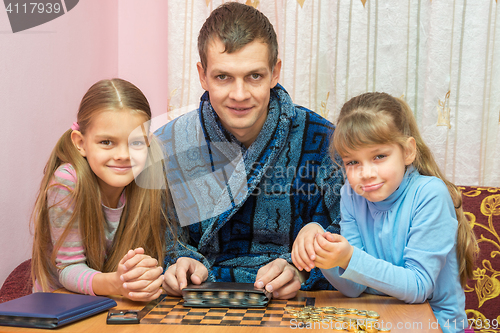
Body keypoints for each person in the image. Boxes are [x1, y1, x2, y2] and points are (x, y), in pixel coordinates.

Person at [156, 2, 343, 300]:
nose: (239, 94)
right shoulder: (169, 144)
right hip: (194, 300)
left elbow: (357, 231)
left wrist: (303, 269)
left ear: (274, 72)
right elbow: (152, 229)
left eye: (254, 76)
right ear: (202, 75)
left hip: (294, 303)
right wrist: (177, 261)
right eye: (223, 77)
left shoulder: (325, 140)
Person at [291, 92, 477, 332]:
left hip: (437, 325)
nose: (366, 173)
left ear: (408, 151)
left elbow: (418, 288)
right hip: (380, 320)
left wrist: (349, 258)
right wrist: (320, 246)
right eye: (352, 162)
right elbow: (353, 288)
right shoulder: (351, 194)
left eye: (379, 156)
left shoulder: (430, 194)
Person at [31, 78, 174, 302]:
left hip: (112, 304)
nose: (123, 155)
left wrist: (146, 275)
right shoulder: (68, 182)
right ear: (80, 143)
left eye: (136, 142)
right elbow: (68, 269)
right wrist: (118, 283)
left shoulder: (149, 179)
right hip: (60, 307)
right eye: (107, 142)